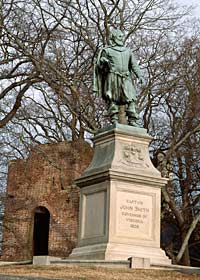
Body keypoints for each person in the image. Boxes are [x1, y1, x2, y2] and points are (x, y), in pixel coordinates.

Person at [93, 29, 144, 126]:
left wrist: (140, 75)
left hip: (126, 77)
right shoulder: (107, 50)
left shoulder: (128, 51)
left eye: (122, 36)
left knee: (131, 98)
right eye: (120, 36)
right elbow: (100, 67)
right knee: (112, 98)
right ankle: (114, 119)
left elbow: (134, 65)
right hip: (112, 77)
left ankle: (132, 120)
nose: (122, 38)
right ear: (114, 37)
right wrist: (103, 62)